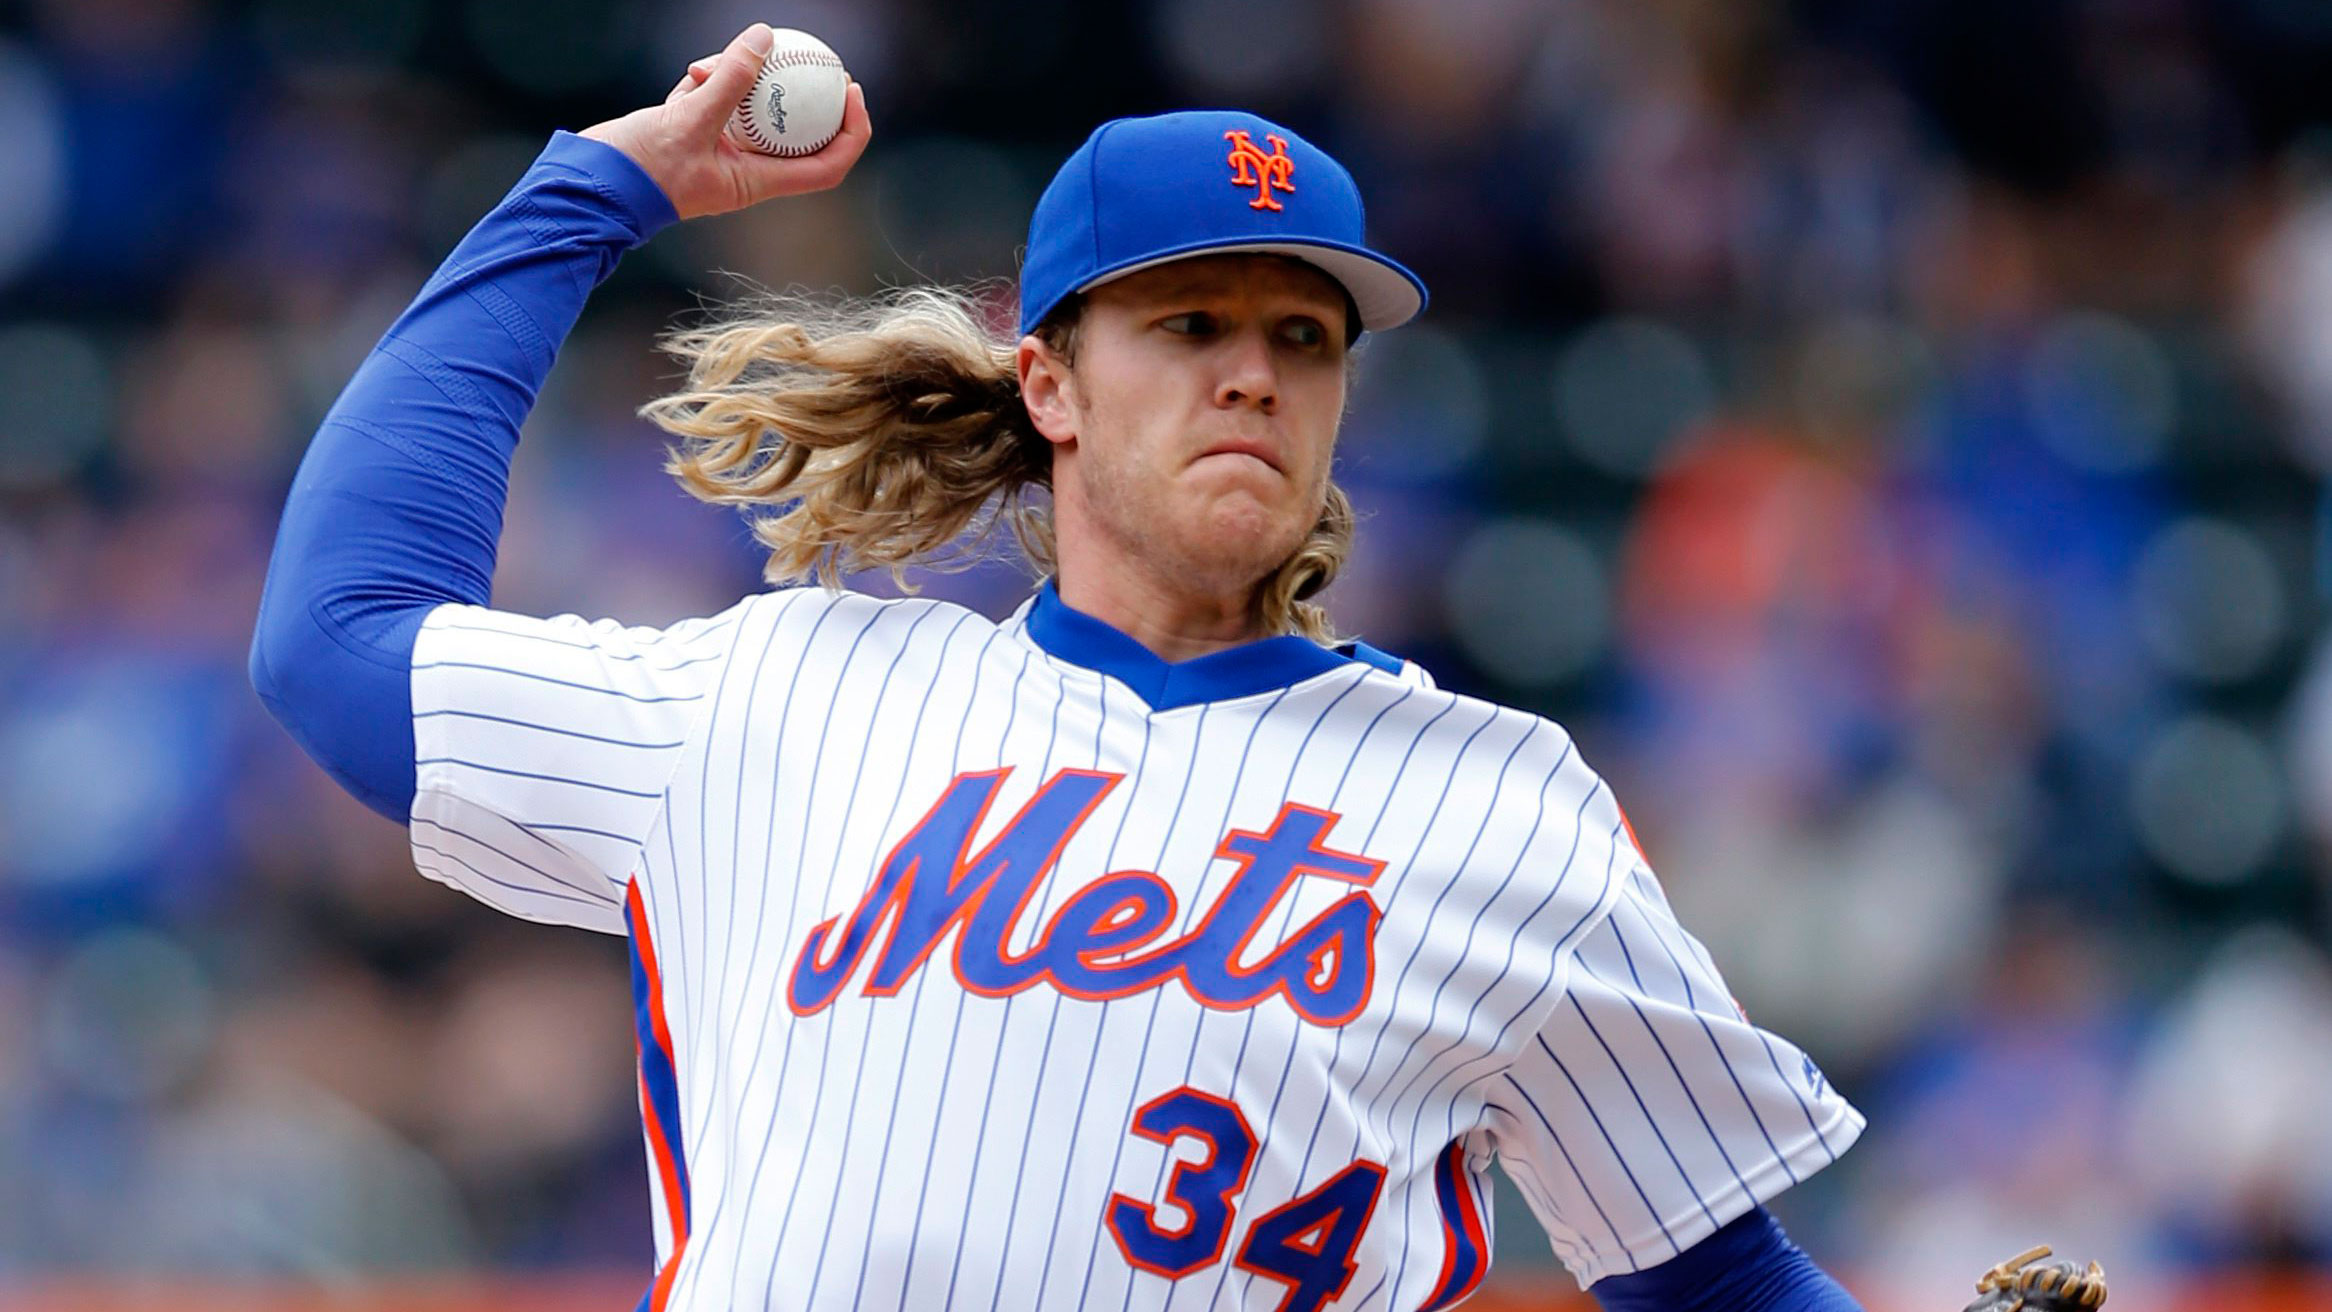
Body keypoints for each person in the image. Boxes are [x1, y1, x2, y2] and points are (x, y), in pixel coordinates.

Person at [251, 22, 1868, 1312]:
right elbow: (337, 642)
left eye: (1302, 338)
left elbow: (1716, 1270)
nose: (1252, 375)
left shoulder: (1505, 808)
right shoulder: (784, 695)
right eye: (1187, 325)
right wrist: (591, 191)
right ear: (1050, 382)